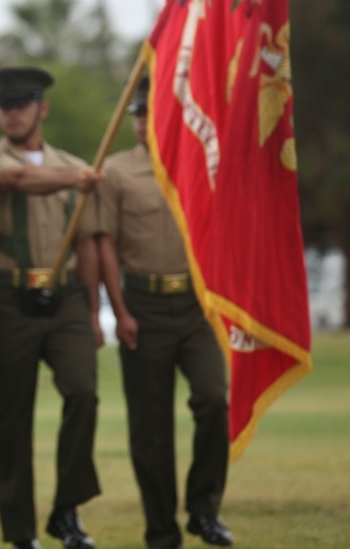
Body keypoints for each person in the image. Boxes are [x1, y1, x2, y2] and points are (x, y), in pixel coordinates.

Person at [0, 66, 103, 549]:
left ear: (41, 108)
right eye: (4, 107)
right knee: (12, 417)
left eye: (21, 105)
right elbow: (20, 180)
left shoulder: (73, 164)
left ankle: (67, 509)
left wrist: (92, 312)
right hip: (9, 296)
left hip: (65, 296)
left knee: (83, 391)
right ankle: (20, 533)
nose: (12, 114)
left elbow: (87, 247)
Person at [95, 76, 232, 549]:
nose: (141, 121)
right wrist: (119, 310)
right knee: (150, 426)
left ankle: (204, 509)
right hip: (143, 306)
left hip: (197, 306)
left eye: (149, 113)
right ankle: (161, 529)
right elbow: (106, 245)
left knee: (214, 399)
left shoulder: (200, 161)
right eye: (137, 114)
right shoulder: (115, 172)